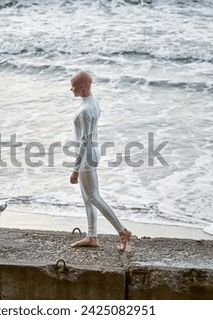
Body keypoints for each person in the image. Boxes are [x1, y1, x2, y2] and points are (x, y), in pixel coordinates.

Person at [69, 71, 132, 251]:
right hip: (91, 153)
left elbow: (84, 141)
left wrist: (75, 169)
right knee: (88, 198)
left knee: (94, 196)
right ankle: (92, 236)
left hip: (87, 156)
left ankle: (122, 231)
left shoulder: (85, 110)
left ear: (82, 86)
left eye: (73, 85)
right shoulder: (92, 103)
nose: (70, 88)